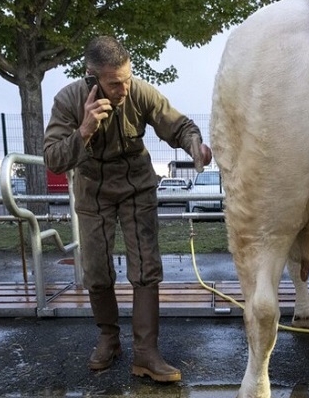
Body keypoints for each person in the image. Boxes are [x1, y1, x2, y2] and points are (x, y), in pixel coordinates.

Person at [43, 36, 212, 382]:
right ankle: (109, 338)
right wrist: (84, 130)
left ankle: (146, 353)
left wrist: (194, 144)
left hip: (137, 186)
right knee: (96, 269)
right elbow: (53, 159)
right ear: (92, 77)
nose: (123, 88)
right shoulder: (69, 100)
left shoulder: (140, 92)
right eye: (114, 83)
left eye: (127, 79)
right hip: (92, 190)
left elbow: (179, 126)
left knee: (147, 267)